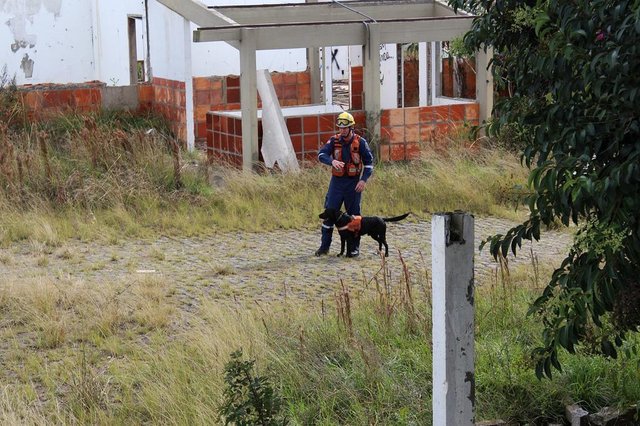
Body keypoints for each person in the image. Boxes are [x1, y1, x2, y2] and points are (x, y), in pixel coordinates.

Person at [315, 111, 374, 257]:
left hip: (353, 184)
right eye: (340, 128)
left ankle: (354, 248)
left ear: (351, 128)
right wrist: (332, 161)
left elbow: (369, 164)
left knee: (354, 218)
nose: (341, 131)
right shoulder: (333, 141)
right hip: (336, 184)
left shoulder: (360, 143)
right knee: (329, 214)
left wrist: (363, 180)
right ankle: (324, 247)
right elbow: (321, 155)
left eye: (344, 128)